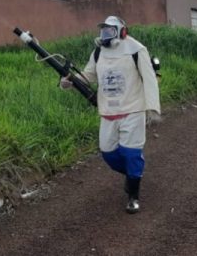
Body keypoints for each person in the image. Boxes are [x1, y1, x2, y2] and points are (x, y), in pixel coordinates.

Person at [60, 15, 161, 214]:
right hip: (108, 110)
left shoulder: (136, 50)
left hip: (132, 109)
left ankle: (133, 196)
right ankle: (133, 175)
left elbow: (150, 79)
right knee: (108, 153)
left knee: (131, 153)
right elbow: (89, 74)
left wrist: (152, 107)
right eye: (103, 31)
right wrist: (69, 81)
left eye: (109, 31)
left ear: (121, 32)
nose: (105, 35)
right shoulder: (98, 52)